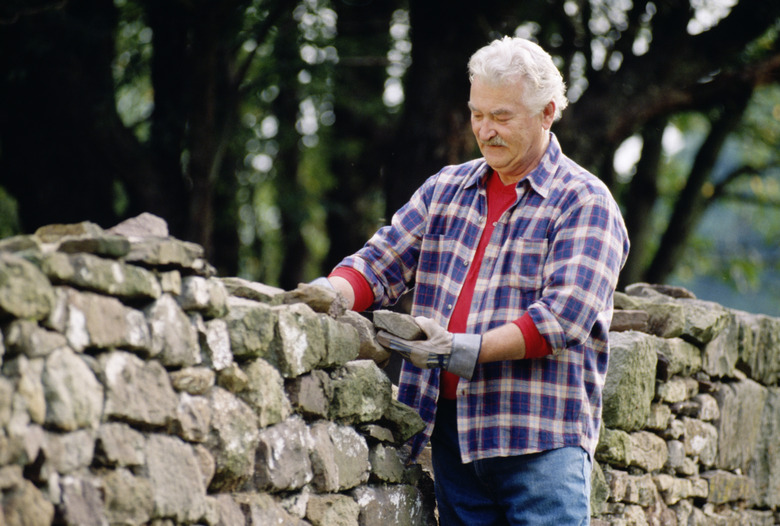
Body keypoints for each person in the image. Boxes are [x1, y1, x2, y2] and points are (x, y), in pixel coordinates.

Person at [316, 36, 629, 525]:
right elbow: (379, 263)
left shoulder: (585, 202)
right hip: (451, 438)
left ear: (547, 113)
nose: (485, 130)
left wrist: (460, 350)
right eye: (477, 114)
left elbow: (561, 319)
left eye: (501, 117)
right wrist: (328, 294)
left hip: (539, 441)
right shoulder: (447, 188)